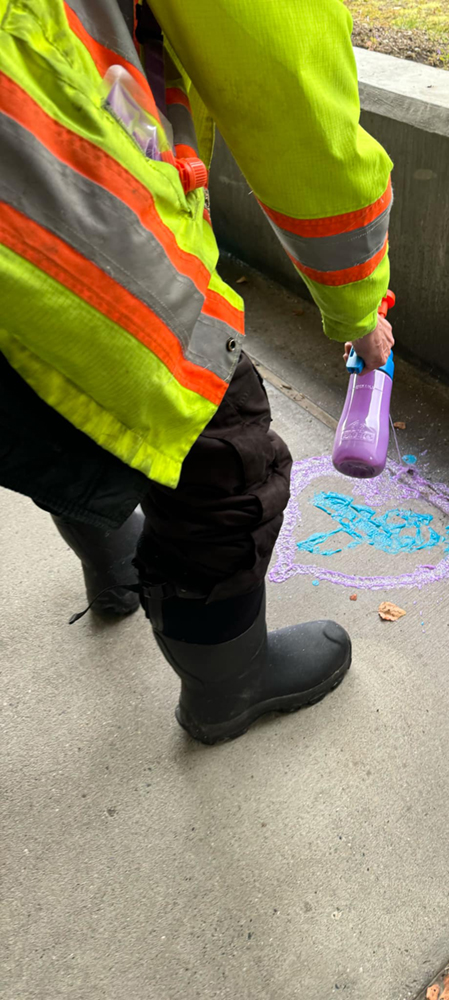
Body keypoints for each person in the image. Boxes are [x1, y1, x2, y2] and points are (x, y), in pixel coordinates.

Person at [0, 0, 394, 743]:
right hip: (42, 188)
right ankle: (229, 687)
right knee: (218, 450)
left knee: (56, 405)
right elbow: (286, 83)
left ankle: (116, 574)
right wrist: (356, 304)